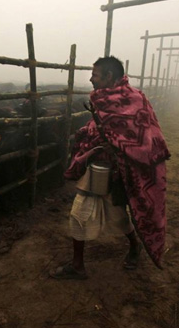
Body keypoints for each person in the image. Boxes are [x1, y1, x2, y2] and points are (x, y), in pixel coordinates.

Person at [50, 56, 170, 280]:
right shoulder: (101, 100)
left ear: (109, 76)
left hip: (123, 170)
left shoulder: (136, 100)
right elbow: (102, 125)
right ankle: (78, 266)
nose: (91, 79)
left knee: (118, 217)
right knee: (79, 214)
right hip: (97, 166)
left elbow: (145, 137)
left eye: (95, 75)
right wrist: (90, 132)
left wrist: (116, 143)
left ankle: (135, 247)